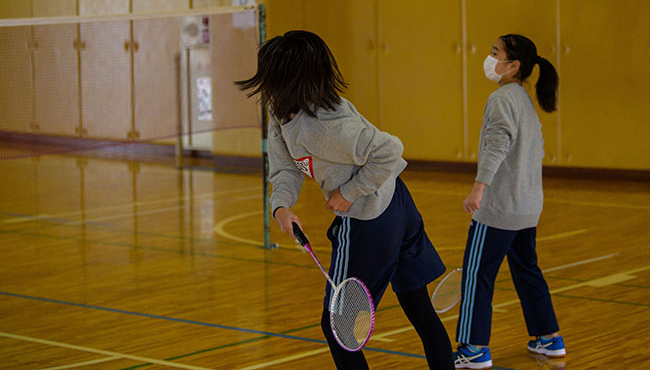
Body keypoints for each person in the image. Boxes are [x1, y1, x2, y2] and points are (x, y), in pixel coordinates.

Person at [236, 30, 454, 370]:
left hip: (371, 217)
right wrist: (281, 206)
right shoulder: (280, 109)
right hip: (396, 202)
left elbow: (390, 150)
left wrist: (348, 193)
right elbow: (285, 167)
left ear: (286, 78)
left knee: (337, 327)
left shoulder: (326, 127)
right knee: (417, 306)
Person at [453, 34, 565, 369]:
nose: (489, 58)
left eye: (495, 52)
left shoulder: (502, 98)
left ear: (513, 65)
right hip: (526, 207)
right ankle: (549, 338)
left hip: (499, 209)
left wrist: (479, 188)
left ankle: (473, 348)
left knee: (477, 274)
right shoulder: (522, 99)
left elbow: (497, 145)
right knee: (527, 270)